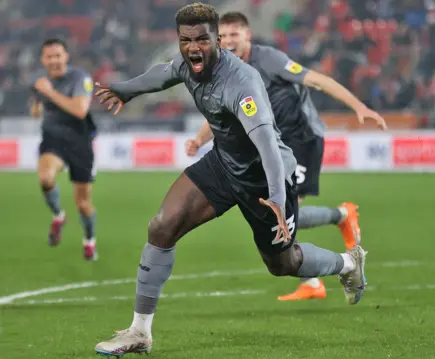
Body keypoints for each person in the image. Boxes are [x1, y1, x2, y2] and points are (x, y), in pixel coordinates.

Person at [94, 3, 367, 357]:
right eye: (186, 39)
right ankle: (139, 332)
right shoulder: (186, 64)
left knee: (283, 264)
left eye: (202, 39)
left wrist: (279, 200)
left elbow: (267, 146)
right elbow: (162, 73)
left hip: (263, 178)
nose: (193, 47)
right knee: (161, 227)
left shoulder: (242, 81)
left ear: (217, 40)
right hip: (223, 164)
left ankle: (348, 263)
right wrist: (126, 90)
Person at [181, 11, 384, 301]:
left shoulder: (269, 60)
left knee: (285, 214)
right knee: (279, 217)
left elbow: (318, 80)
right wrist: (199, 140)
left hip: (301, 139)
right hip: (274, 148)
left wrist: (358, 106)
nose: (227, 41)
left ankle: (332, 250)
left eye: (234, 34)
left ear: (247, 35)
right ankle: (339, 221)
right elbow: (221, 111)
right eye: (222, 36)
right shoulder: (225, 68)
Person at [30, 38, 98, 261]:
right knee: (45, 179)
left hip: (80, 143)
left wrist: (49, 93)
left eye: (58, 55)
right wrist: (37, 104)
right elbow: (36, 112)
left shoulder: (80, 78)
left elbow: (79, 110)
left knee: (83, 204)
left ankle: (89, 240)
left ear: (66, 56)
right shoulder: (41, 83)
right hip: (53, 141)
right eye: (49, 56)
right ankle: (58, 216)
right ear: (43, 60)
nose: (54, 60)